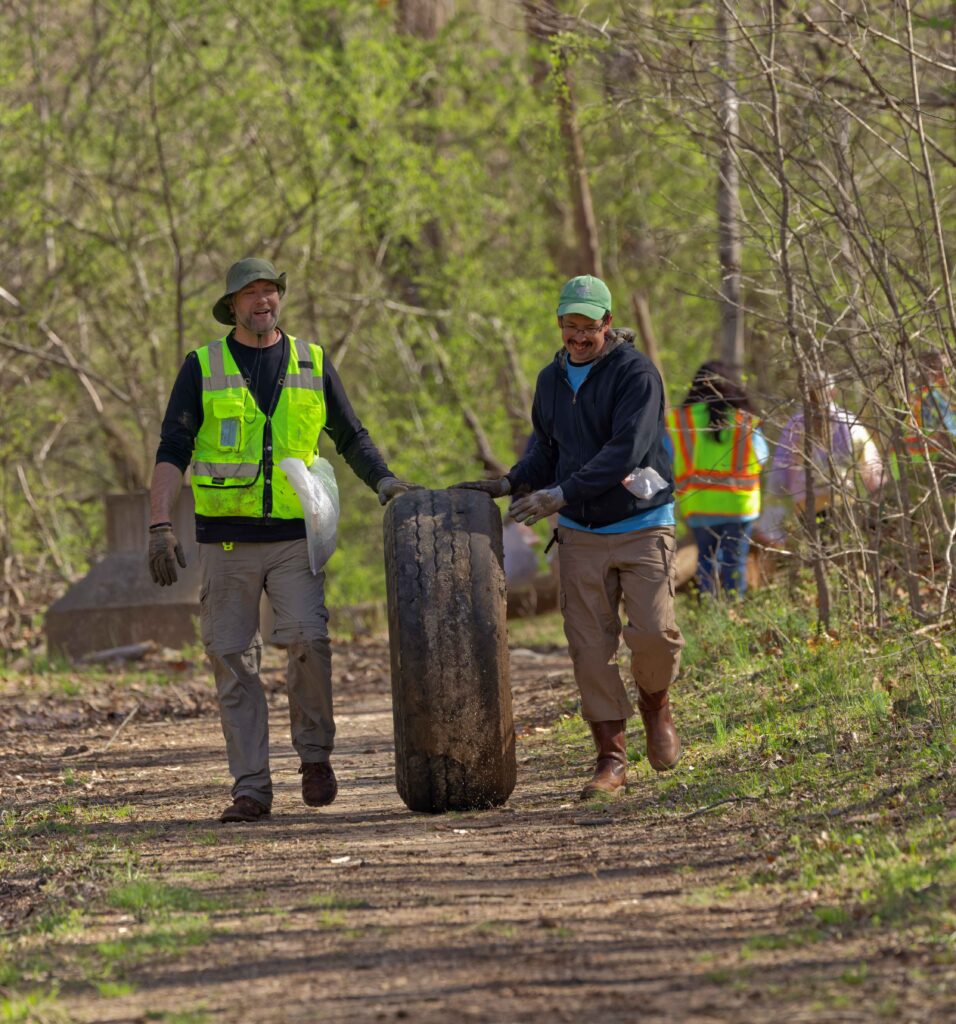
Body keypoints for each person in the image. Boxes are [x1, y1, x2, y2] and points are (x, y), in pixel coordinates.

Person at [148, 258, 419, 824]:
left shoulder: (311, 361)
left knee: (307, 643)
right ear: (232, 306)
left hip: (297, 537)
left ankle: (315, 757)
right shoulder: (203, 366)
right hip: (226, 543)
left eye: (270, 291)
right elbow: (171, 451)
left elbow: (350, 435)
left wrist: (386, 482)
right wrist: (159, 525)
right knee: (232, 660)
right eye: (251, 294)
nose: (262, 301)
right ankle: (251, 788)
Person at [455, 275, 684, 799]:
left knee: (653, 634)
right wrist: (511, 482)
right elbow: (547, 449)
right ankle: (611, 758)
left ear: (607, 323)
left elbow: (626, 450)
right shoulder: (551, 380)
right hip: (580, 533)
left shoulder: (636, 374)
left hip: (642, 522)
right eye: (569, 326)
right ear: (560, 324)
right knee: (589, 649)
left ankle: (656, 704)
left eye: (588, 327)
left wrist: (559, 495)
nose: (578, 338)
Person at [667, 361, 769, 597]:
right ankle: (734, 610)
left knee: (706, 559)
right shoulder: (744, 419)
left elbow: (667, 455)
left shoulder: (680, 420)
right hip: (739, 504)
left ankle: (709, 608)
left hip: (699, 504)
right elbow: (762, 457)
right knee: (735, 562)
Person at [767, 370, 883, 529]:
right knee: (843, 548)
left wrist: (775, 505)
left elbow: (779, 473)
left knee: (820, 548)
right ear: (833, 392)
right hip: (842, 500)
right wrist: (877, 492)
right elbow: (870, 463)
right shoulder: (847, 422)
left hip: (806, 504)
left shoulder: (794, 426)